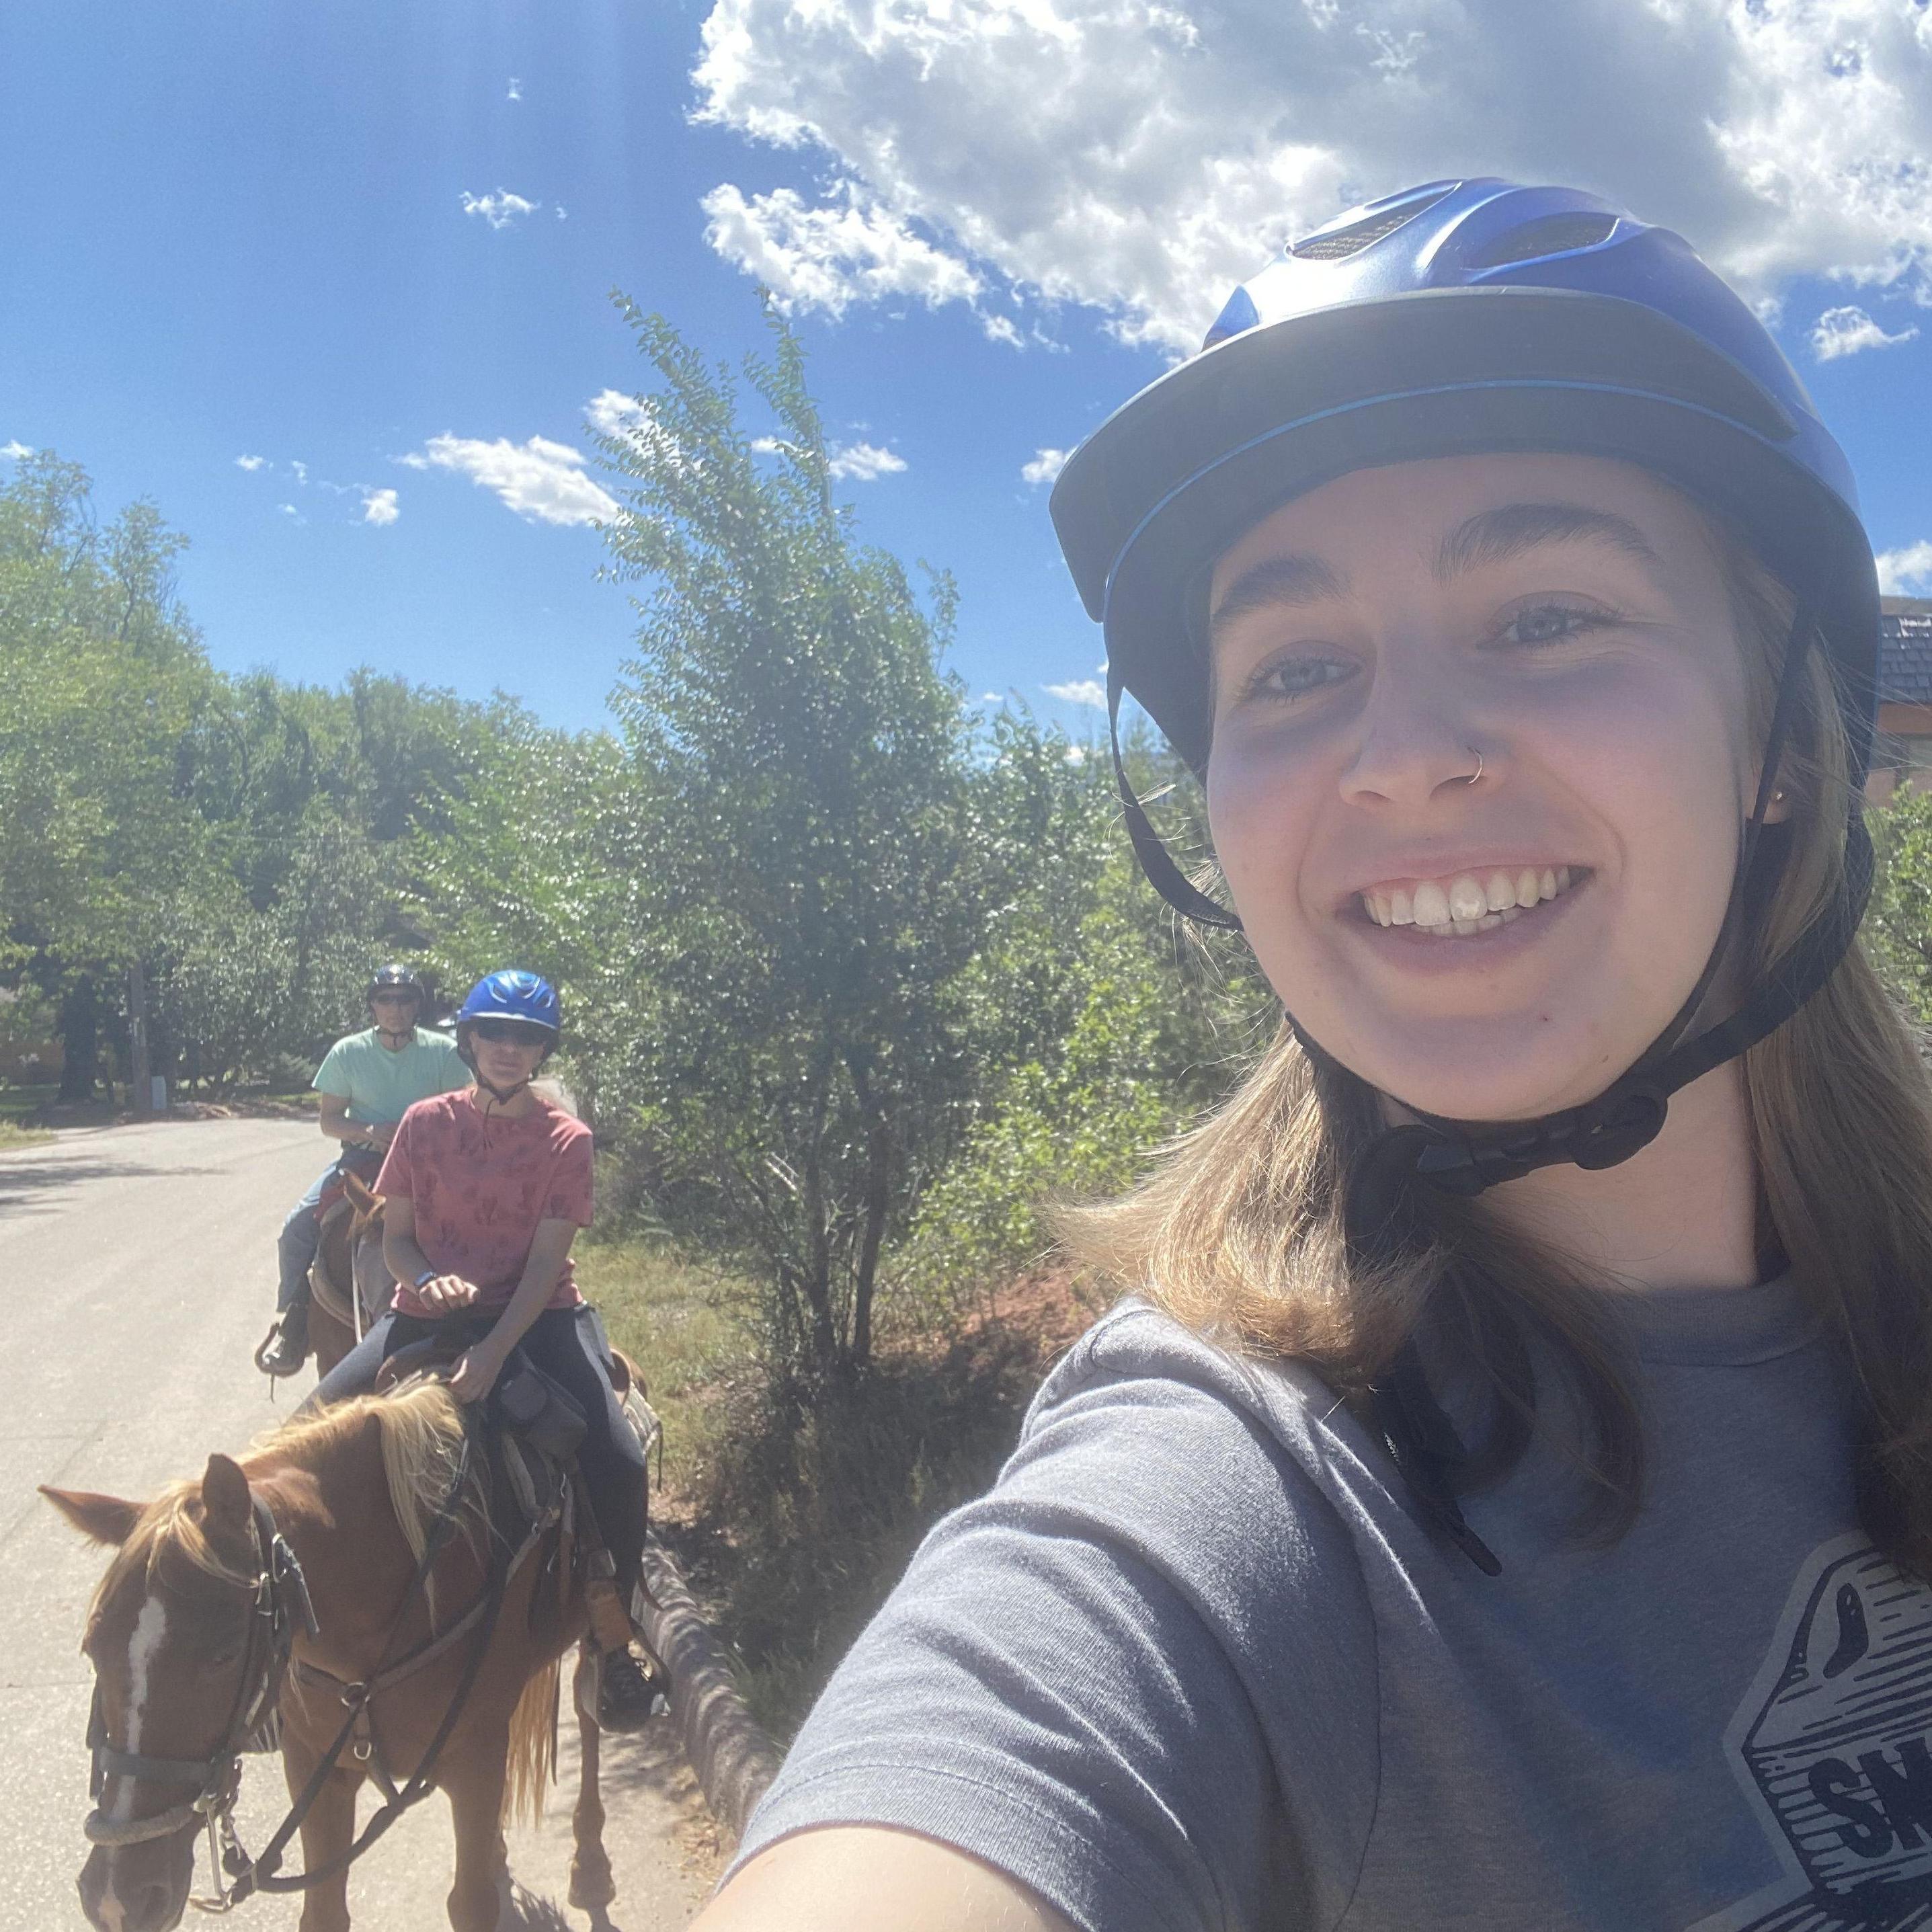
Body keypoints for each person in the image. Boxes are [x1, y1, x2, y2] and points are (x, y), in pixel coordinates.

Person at [695, 180, 1932, 1931]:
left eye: (1544, 615)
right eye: (1293, 665)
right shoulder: (1221, 1498)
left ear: (1775, 737)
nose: (1402, 755)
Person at [309, 969, 665, 1732]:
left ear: (543, 1050)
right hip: (426, 1315)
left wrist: (497, 1352)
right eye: (495, 1033)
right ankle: (286, 1648)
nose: (509, 1048)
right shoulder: (423, 1124)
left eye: (527, 1037)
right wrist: (426, 1282)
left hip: (534, 1317)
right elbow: (396, 1239)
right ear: (468, 1040)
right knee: (302, 1437)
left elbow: (544, 1265)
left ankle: (613, 1641)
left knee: (618, 1459)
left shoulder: (566, 1139)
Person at [255, 963, 468, 1377]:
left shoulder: (444, 1052)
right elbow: (329, 1120)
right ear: (373, 1006)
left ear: (416, 1006)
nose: (395, 1008)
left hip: (427, 1165)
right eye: (386, 999)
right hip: (362, 1159)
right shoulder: (348, 1052)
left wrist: (420, 1137)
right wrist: (368, 1130)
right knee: (298, 1227)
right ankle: (295, 1322)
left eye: (404, 999)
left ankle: (483, 1309)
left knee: (473, 1219)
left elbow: (463, 1113)